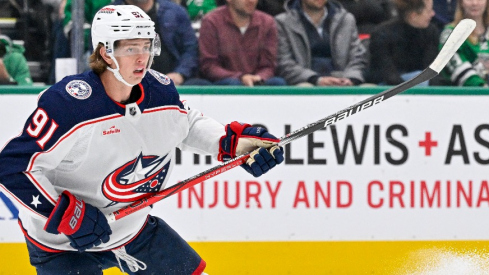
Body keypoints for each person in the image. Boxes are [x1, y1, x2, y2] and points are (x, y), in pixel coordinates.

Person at [0, 5, 284, 274]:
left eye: (147, 46)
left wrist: (231, 143)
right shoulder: (69, 104)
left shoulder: (159, 90)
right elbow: (12, 167)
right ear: (106, 53)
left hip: (130, 228)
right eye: (131, 48)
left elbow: (187, 123)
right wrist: (65, 214)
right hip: (63, 243)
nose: (142, 57)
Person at [275, 0, 368, 86]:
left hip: (344, 81)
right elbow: (284, 62)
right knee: (305, 87)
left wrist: (351, 78)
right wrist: (316, 79)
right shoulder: (282, 22)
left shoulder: (346, 19)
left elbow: (357, 56)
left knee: (368, 89)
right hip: (305, 83)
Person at [114, 0, 203, 86]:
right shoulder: (109, 16)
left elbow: (190, 49)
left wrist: (179, 74)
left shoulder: (176, 12)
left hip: (172, 80)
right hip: (123, 81)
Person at [198, 0, 287, 86]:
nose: (251, 1)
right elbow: (209, 66)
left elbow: (268, 65)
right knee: (232, 84)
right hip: (226, 82)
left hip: (258, 80)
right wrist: (240, 77)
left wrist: (259, 77)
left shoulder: (268, 23)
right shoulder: (211, 21)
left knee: (278, 82)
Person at [367, 0, 439, 85]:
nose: (433, 14)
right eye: (429, 11)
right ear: (413, 16)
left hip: (419, 83)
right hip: (387, 86)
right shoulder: (381, 34)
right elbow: (387, 73)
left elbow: (431, 68)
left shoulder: (431, 32)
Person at [439, 0, 489, 86]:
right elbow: (459, 70)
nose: (475, 3)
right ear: (461, 2)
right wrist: (483, 89)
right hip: (464, 95)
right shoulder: (450, 33)